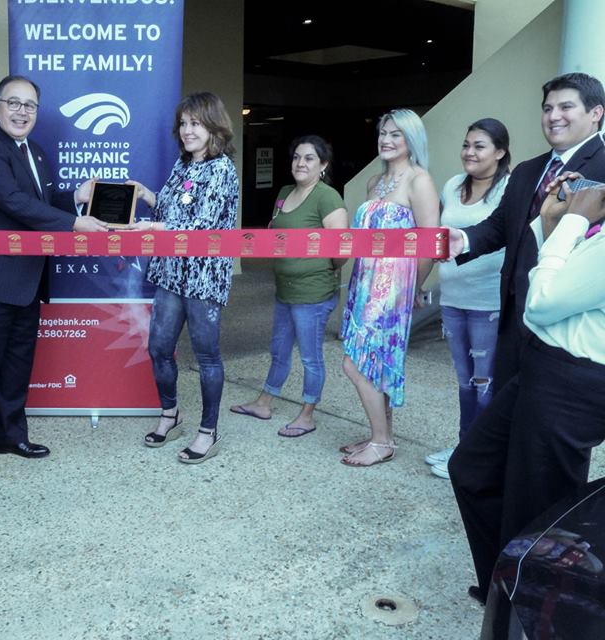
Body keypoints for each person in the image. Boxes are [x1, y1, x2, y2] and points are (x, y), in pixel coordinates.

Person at [449, 174, 605, 624]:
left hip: (574, 384)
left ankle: (529, 615)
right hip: (542, 364)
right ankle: (506, 588)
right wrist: (548, 223)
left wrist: (574, 220)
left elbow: (542, 301)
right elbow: (556, 280)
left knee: (539, 514)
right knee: (472, 468)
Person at [0, 75, 108, 482]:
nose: (22, 112)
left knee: (16, 366)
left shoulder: (33, 151)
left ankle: (9, 436)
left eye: (30, 105)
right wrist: (74, 223)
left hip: (25, 280)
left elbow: (39, 202)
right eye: (13, 103)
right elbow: (14, 203)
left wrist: (76, 196)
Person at [446, 73, 605, 392]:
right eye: (547, 108)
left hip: (567, 328)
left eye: (565, 107)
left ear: (595, 113)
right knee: (506, 414)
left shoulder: (603, 168)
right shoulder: (528, 170)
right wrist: (463, 239)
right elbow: (500, 226)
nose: (553, 116)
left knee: (548, 430)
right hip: (514, 320)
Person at [133, 91, 240, 464]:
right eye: (183, 123)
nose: (187, 130)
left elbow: (200, 225)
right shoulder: (183, 165)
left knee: (207, 356)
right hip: (170, 273)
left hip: (203, 277)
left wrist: (150, 228)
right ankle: (170, 414)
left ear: (213, 126)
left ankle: (208, 431)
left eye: (195, 123)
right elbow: (171, 205)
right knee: (159, 348)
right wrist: (145, 194)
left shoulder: (222, 169)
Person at [339, 109, 439, 467]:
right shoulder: (373, 183)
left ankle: (382, 442)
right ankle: (380, 434)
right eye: (383, 132)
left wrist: (414, 288)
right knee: (372, 363)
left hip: (392, 288)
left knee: (356, 364)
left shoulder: (419, 180)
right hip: (363, 282)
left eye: (396, 134)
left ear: (411, 140)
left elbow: (428, 242)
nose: (386, 139)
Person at [229, 135, 347, 437]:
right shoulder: (283, 192)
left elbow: (342, 250)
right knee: (279, 349)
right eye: (296, 157)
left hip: (313, 293)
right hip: (284, 288)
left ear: (323, 165)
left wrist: (323, 272)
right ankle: (264, 402)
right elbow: (275, 233)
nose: (300, 163)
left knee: (310, 356)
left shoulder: (327, 197)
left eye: (309, 158)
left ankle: (307, 414)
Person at [424, 119, 510, 480]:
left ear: (500, 152)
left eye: (479, 146)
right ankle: (464, 447)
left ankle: (481, 457)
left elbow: (498, 235)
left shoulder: (509, 187)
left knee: (484, 383)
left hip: (487, 301)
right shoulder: (452, 185)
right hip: (453, 298)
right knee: (464, 381)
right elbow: (440, 238)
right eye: (466, 145)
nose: (469, 152)